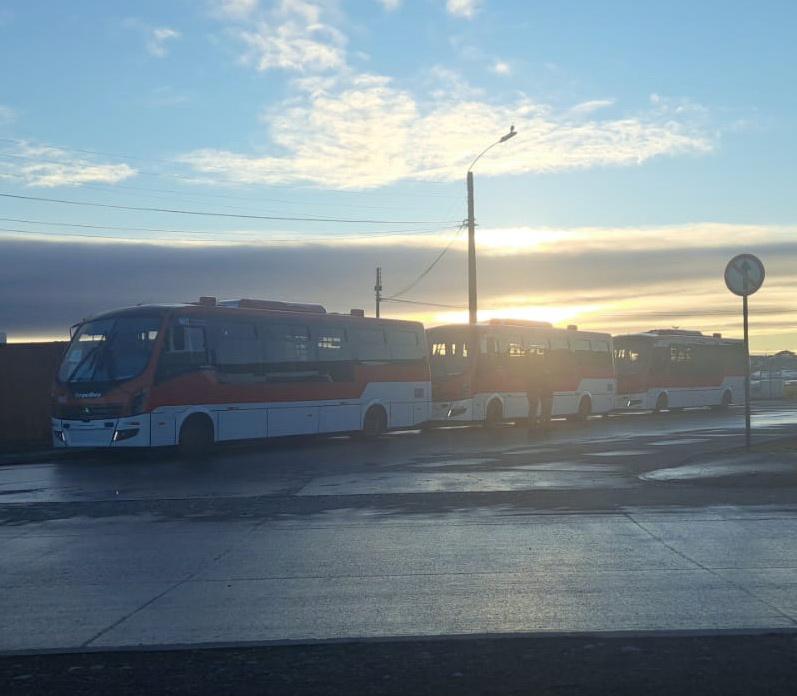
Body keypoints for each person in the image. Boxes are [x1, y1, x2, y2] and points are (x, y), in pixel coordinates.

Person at [525, 350, 542, 432]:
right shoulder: (535, 370)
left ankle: (531, 423)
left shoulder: (528, 368)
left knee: (532, 408)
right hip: (534, 392)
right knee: (533, 408)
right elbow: (536, 381)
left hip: (529, 392)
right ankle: (532, 424)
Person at [538, 352, 554, 432]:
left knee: (545, 411)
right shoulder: (545, 373)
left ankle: (544, 425)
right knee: (546, 411)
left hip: (546, 395)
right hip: (547, 395)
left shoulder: (542, 372)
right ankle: (545, 425)